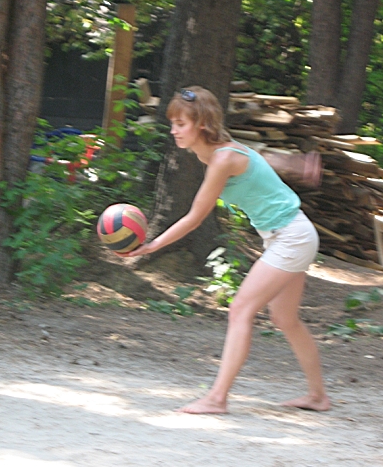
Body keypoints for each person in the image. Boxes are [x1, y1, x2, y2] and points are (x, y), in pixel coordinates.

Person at [129, 86, 331, 414]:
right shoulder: (217, 153)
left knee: (240, 310)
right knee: (284, 318)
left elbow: (195, 217)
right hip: (289, 235)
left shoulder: (222, 158)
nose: (173, 130)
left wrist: (152, 245)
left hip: (291, 237)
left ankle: (217, 398)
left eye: (181, 124)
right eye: (173, 123)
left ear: (202, 124)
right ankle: (318, 396)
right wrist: (293, 163)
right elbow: (259, 159)